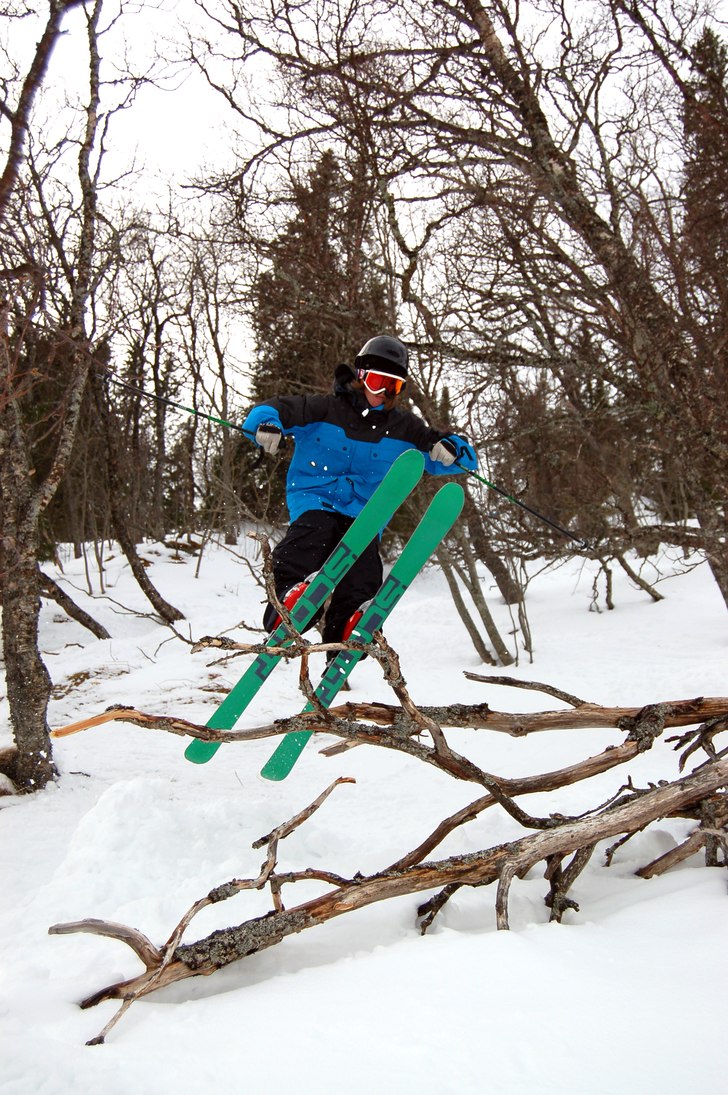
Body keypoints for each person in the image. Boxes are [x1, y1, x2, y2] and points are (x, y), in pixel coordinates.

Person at [242, 334, 478, 647]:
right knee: (310, 538)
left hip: (365, 513)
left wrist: (451, 449)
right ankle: (287, 602)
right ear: (361, 376)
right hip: (316, 500)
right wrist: (265, 426)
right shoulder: (323, 409)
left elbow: (463, 460)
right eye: (377, 381)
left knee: (363, 564)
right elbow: (271, 411)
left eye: (391, 386)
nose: (381, 393)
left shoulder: (406, 428)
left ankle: (349, 625)